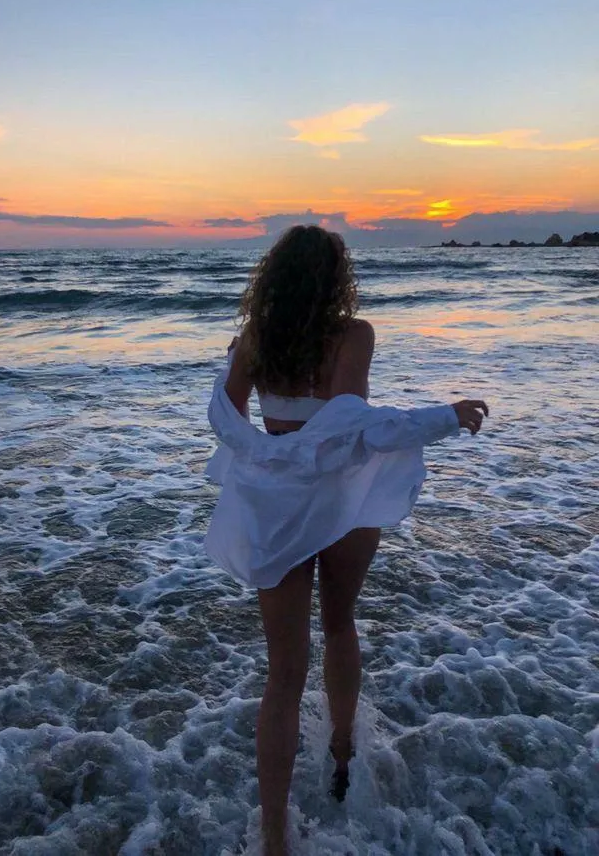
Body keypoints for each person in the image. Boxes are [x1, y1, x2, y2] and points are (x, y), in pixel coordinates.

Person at [204, 225, 488, 856]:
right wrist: (444, 415)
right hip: (341, 501)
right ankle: (341, 752)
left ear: (273, 276)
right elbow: (350, 425)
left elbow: (226, 420)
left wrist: (269, 460)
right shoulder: (352, 335)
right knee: (338, 624)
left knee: (283, 674)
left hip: (278, 509)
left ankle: (275, 836)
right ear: (337, 277)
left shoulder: (252, 339)